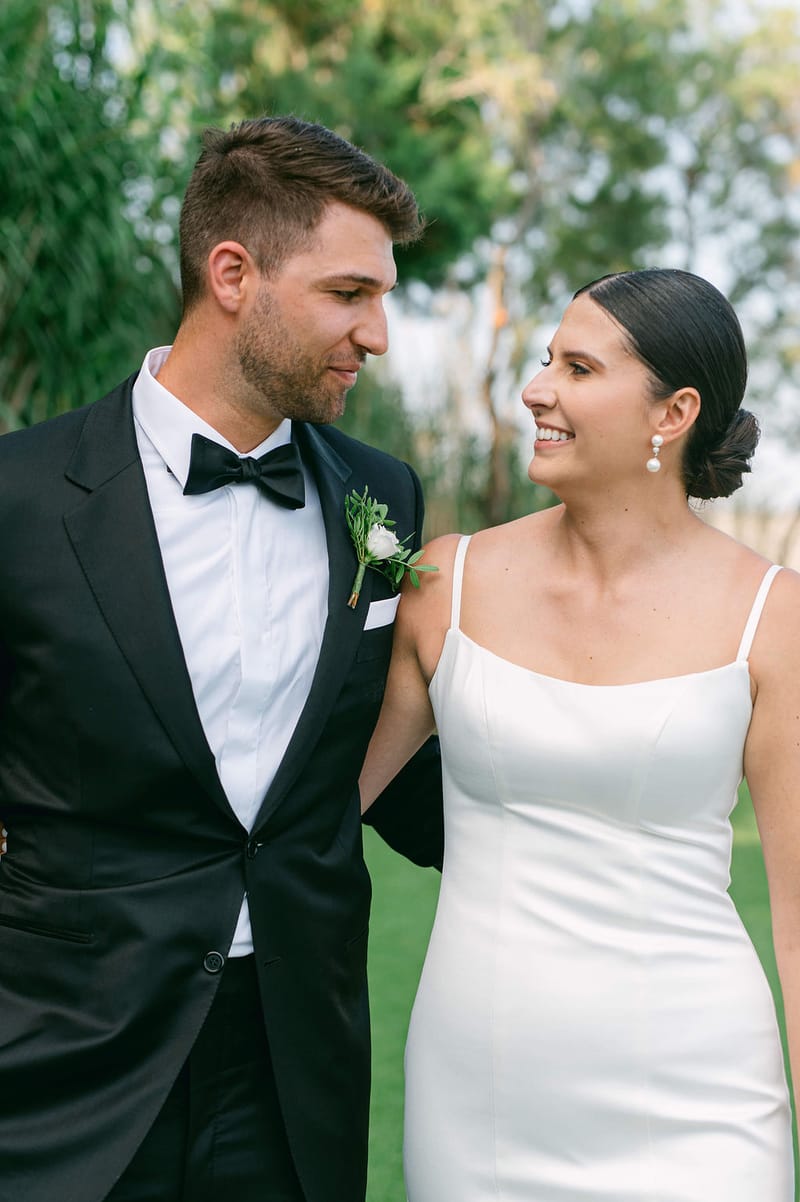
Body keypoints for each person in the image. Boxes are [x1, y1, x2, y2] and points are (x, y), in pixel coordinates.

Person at [0, 115, 443, 1202]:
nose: (377, 334)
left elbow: (377, 760)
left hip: (296, 1065)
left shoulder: (379, 496)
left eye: (381, 297)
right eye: (349, 293)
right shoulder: (17, 495)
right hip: (63, 1060)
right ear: (232, 272)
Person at [360, 267, 800, 1201]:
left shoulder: (773, 618)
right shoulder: (444, 585)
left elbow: (799, 925)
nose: (537, 389)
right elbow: (309, 808)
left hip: (702, 1096)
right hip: (478, 1093)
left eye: (580, 367)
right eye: (546, 359)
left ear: (671, 413)